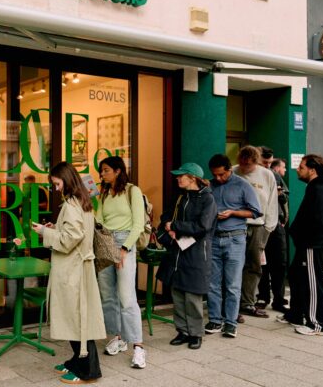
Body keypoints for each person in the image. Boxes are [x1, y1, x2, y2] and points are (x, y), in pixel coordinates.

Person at [32, 162, 105, 383]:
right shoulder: (81, 202)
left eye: (56, 183)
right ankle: (77, 360)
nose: (55, 188)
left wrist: (44, 231)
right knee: (77, 318)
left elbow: (71, 239)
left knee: (78, 319)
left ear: (66, 179)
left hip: (73, 270)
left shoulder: (72, 204)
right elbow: (75, 233)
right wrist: (57, 229)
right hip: (77, 268)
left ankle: (88, 371)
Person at [93, 156, 147, 368]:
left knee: (126, 297)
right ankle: (118, 336)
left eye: (106, 170)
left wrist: (123, 249)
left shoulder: (133, 190)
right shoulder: (104, 193)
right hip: (106, 242)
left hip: (125, 242)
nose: (103, 174)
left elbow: (138, 224)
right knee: (107, 296)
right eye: (102, 171)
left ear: (117, 171)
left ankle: (139, 346)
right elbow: (99, 220)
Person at [157, 163, 216, 350]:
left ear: (192, 178)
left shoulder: (208, 199)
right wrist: (169, 233)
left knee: (192, 296)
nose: (177, 179)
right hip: (177, 252)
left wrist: (174, 226)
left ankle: (196, 334)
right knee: (178, 293)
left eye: (181, 176)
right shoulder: (179, 197)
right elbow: (164, 219)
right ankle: (182, 331)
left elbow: (202, 226)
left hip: (197, 254)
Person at [278, 154, 323, 336]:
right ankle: (296, 314)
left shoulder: (319, 189)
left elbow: (317, 220)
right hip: (310, 243)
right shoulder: (318, 187)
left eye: (301, 167)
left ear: (312, 170)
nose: (298, 169)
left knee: (313, 282)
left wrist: (301, 236)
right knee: (296, 276)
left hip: (313, 244)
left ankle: (317, 324)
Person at [205, 154, 261, 338]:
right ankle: (215, 319)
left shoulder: (242, 185)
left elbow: (255, 212)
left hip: (235, 238)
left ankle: (230, 323)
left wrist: (233, 213)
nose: (218, 178)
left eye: (222, 174)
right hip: (213, 238)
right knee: (213, 284)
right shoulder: (210, 185)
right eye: (215, 175)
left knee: (232, 284)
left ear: (229, 169)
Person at [232, 146, 278, 319]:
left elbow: (272, 202)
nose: (244, 167)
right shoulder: (233, 172)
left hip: (258, 226)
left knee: (254, 266)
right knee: (234, 265)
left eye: (248, 165)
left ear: (256, 162)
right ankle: (232, 304)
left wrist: (268, 227)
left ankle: (247, 302)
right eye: (242, 163)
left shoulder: (266, 175)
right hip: (236, 224)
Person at [257, 158, 290, 313]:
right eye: (265, 161)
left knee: (279, 264)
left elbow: (284, 198)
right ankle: (263, 297)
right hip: (260, 226)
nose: (267, 165)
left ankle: (279, 299)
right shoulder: (255, 176)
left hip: (276, 226)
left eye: (269, 162)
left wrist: (284, 219)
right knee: (262, 264)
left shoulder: (274, 175)